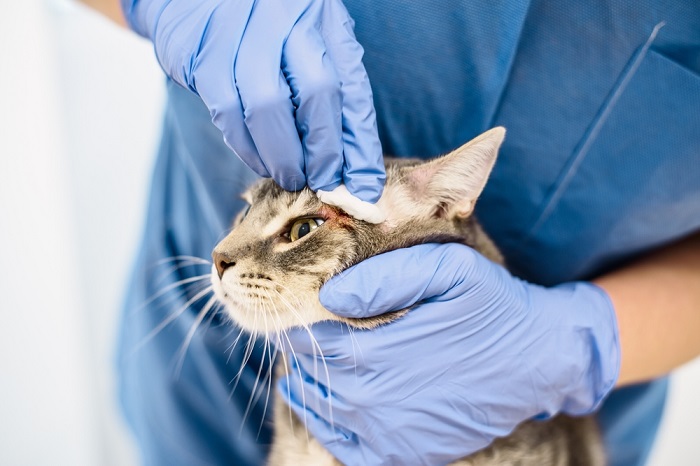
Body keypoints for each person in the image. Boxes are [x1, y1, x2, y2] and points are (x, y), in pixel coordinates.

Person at [84, 0, 700, 465]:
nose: (223, 253)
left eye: (302, 226)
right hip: (208, 364)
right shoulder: (225, 255)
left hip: (544, 385)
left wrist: (583, 343)